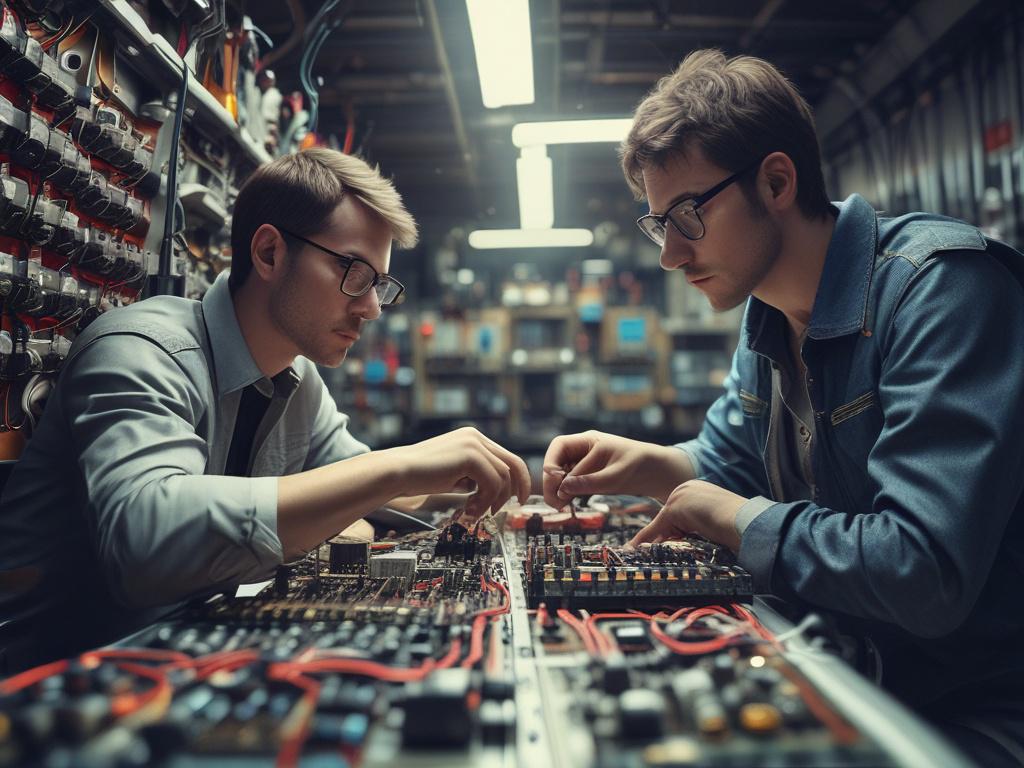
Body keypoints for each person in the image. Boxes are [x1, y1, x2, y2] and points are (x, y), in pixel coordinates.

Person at [543, 50, 1024, 765]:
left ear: (775, 181)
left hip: (969, 706)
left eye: (687, 215)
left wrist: (736, 518)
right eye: (657, 224)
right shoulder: (767, 317)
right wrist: (657, 466)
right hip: (852, 673)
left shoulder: (943, 292)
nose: (671, 254)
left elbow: (923, 570)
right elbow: (729, 464)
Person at [0, 148, 529, 673]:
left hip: (176, 662)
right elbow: (144, 544)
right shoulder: (141, 347)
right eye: (355, 273)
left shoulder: (299, 383)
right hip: (45, 696)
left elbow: (375, 491)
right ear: (271, 253)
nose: (370, 307)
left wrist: (534, 482)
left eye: (380, 285)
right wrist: (397, 464)